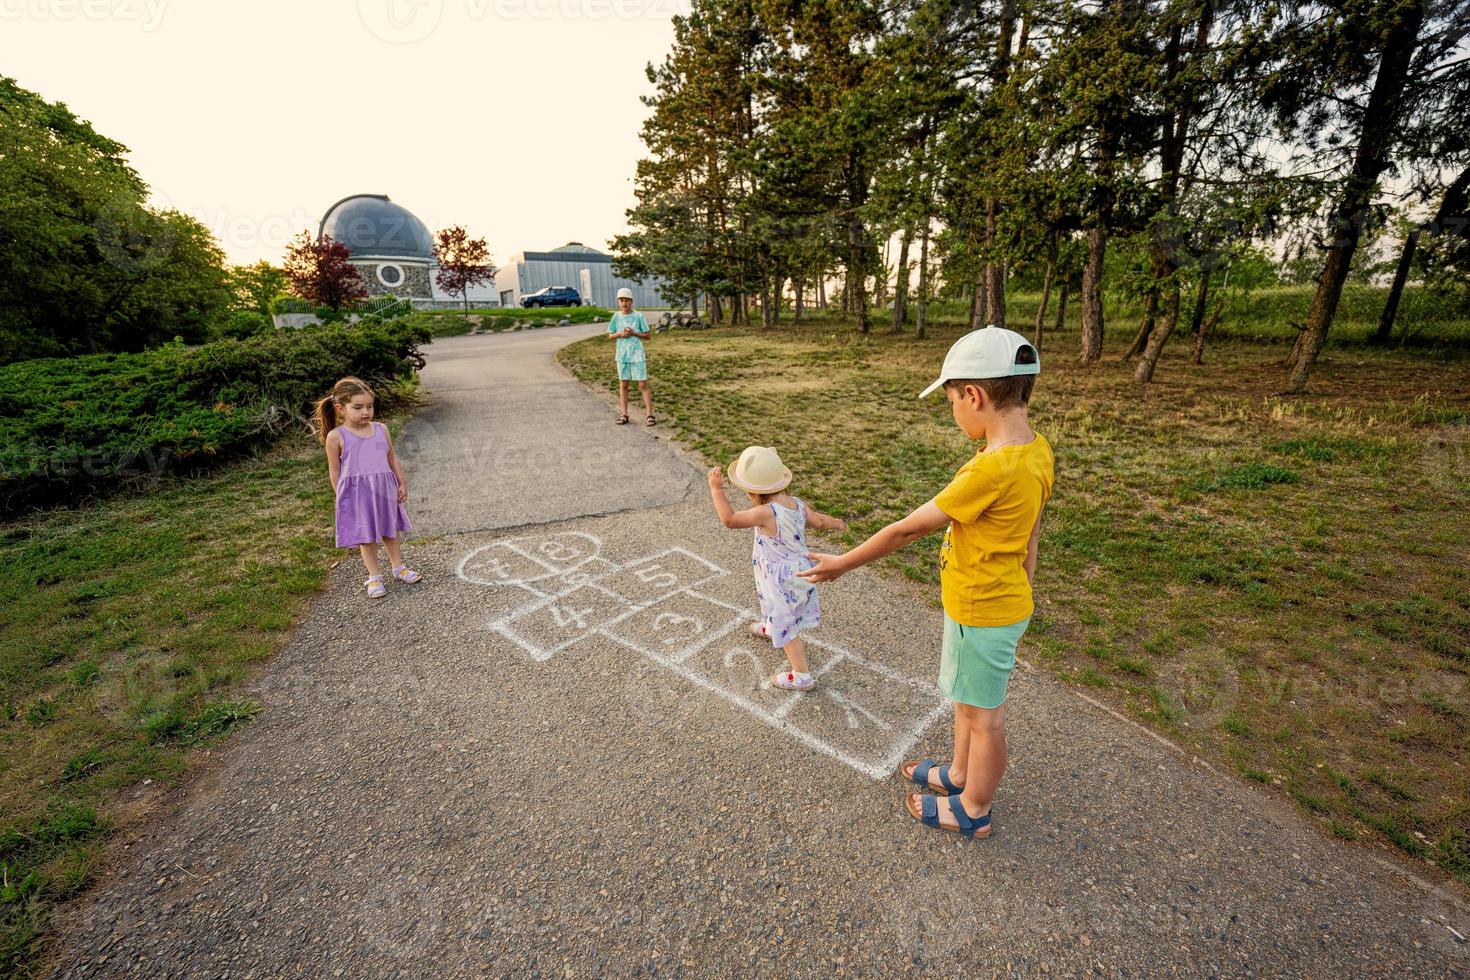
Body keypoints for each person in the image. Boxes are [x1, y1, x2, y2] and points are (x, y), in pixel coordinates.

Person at [801, 326, 1052, 838]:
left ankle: (975, 808)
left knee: (986, 719)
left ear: (975, 396)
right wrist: (1025, 586)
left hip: (983, 610)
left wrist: (842, 563)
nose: (953, 409)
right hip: (990, 603)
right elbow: (1032, 530)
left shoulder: (989, 471)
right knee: (966, 700)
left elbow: (907, 528)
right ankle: (960, 774)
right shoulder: (1036, 450)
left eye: (952, 399)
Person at [709, 446, 847, 690]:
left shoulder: (764, 512)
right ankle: (772, 625)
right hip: (798, 570)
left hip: (781, 579)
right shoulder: (797, 504)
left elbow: (729, 520)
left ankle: (802, 675)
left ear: (753, 491)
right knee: (776, 609)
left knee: (788, 626)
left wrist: (716, 490)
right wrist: (837, 523)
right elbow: (820, 521)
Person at [316, 376, 421, 599]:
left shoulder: (381, 429)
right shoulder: (336, 437)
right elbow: (335, 471)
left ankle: (398, 567)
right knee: (366, 536)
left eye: (370, 406)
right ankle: (374, 577)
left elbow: (392, 458)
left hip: (384, 490)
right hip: (357, 495)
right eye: (358, 407)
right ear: (340, 408)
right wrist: (341, 497)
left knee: (389, 530)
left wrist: (401, 482)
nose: (366, 411)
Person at [607, 286, 655, 426]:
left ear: (631, 301)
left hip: (637, 354)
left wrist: (634, 333)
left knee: (642, 384)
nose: (624, 303)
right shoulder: (616, 317)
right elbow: (610, 335)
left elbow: (647, 335)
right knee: (624, 384)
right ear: (618, 302)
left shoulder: (638, 316)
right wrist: (620, 334)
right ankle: (624, 414)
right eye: (621, 300)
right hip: (622, 355)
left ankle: (649, 414)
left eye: (627, 300)